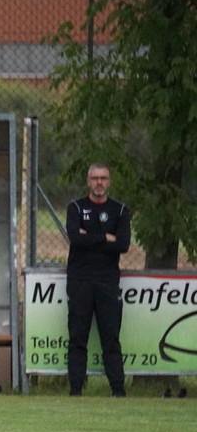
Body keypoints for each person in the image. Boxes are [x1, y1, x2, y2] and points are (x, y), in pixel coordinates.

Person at [65, 161, 131, 397]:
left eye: (103, 178)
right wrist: (105, 237)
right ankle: (75, 390)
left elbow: (123, 245)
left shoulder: (119, 210)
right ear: (88, 181)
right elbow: (75, 238)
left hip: (107, 281)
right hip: (80, 280)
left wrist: (90, 237)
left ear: (109, 182)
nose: (99, 182)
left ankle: (118, 390)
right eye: (95, 178)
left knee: (110, 337)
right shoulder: (76, 207)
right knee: (77, 337)